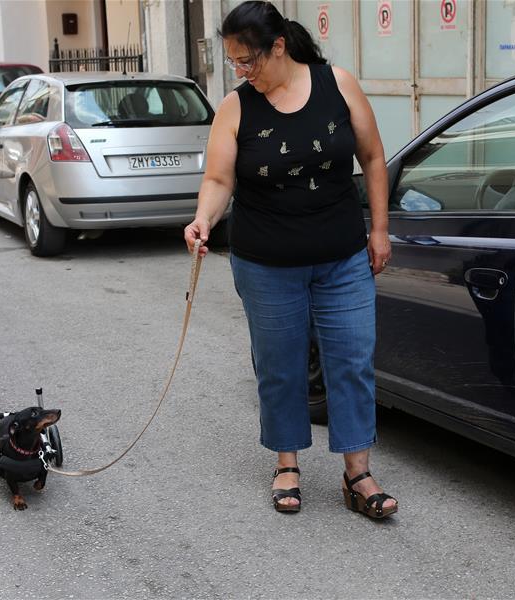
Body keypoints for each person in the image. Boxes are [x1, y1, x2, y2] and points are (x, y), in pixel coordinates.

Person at [183, 0, 396, 519]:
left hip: (342, 258)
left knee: (352, 361)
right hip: (265, 264)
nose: (242, 72)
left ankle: (357, 473)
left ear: (278, 47)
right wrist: (204, 218)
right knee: (280, 366)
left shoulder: (337, 84)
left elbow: (371, 156)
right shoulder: (237, 107)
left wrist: (381, 229)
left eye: (248, 60)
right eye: (234, 62)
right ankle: (286, 463)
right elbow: (218, 179)